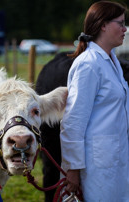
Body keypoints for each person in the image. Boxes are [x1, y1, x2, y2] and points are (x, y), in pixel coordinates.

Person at [60, 1, 129, 201]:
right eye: (121, 23)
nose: (125, 29)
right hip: (96, 165)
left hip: (115, 159)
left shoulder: (111, 61)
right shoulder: (88, 65)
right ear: (103, 25)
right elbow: (73, 121)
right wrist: (72, 168)